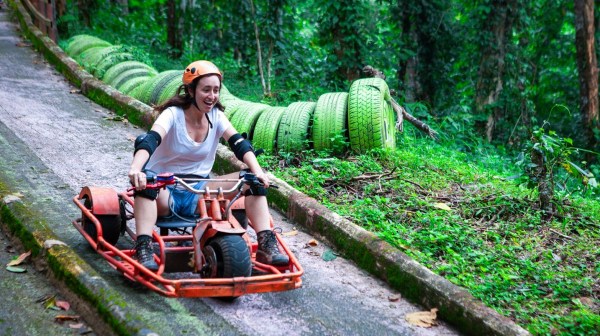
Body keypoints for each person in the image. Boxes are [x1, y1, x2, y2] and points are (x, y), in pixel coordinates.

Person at [128, 60, 288, 271]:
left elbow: (240, 145)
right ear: (191, 90)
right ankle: (144, 247)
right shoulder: (173, 115)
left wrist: (258, 172)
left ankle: (267, 244)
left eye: (216, 90)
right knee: (147, 183)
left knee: (251, 180)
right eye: (206, 90)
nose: (212, 96)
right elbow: (150, 140)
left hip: (199, 190)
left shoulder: (217, 117)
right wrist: (136, 169)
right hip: (163, 191)